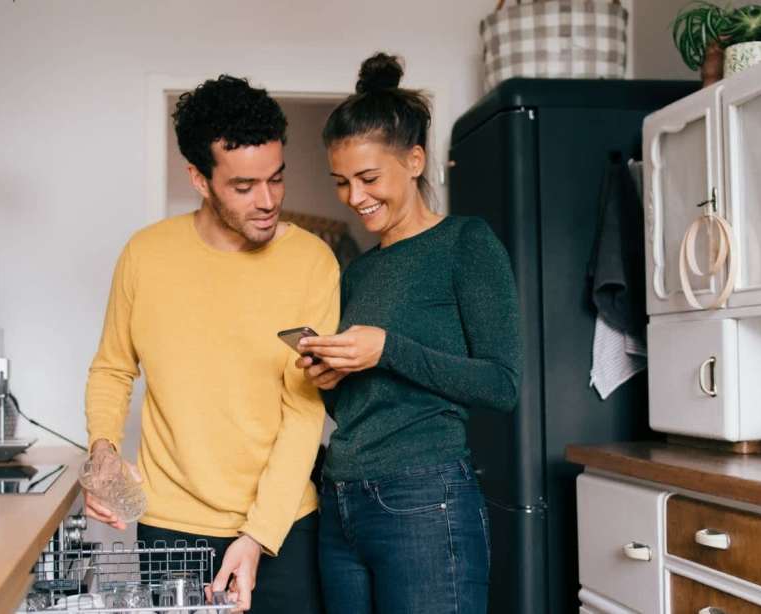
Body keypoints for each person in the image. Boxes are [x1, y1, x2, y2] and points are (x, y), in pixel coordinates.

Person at [84, 74, 338, 613]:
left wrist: (258, 536)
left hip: (286, 527)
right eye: (244, 187)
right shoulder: (145, 256)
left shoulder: (312, 262)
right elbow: (112, 368)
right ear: (199, 178)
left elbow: (303, 412)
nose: (267, 201)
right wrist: (102, 450)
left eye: (276, 179)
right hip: (171, 531)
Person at [297, 53, 522, 614]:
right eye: (342, 183)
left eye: (369, 178)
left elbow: (502, 384)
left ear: (415, 160)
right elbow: (360, 403)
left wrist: (387, 348)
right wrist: (329, 376)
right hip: (340, 498)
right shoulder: (357, 271)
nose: (355, 197)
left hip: (425, 497)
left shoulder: (465, 244)